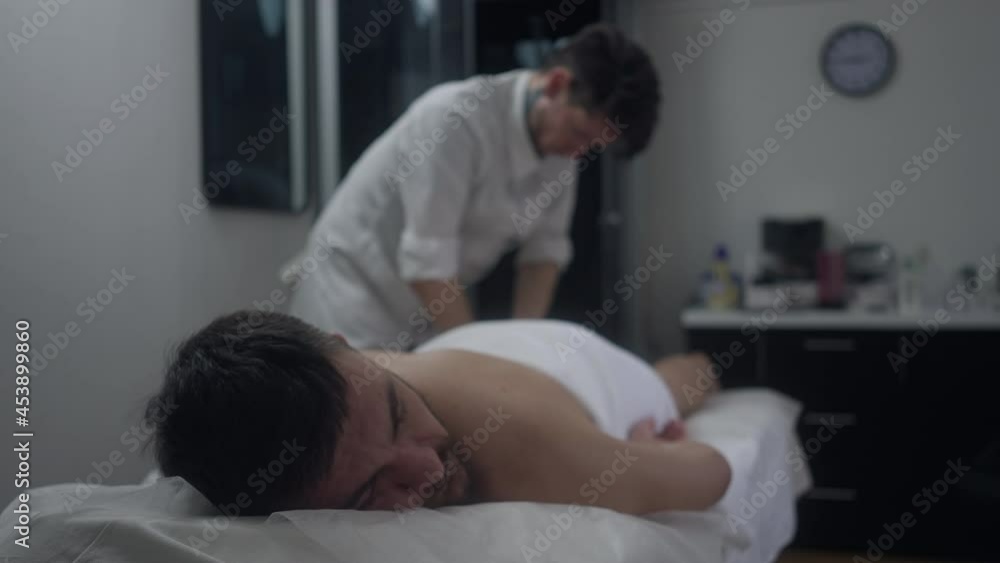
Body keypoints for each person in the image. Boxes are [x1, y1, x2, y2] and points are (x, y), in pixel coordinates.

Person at [285, 24, 661, 348]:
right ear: (556, 84)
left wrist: (525, 348)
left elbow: (543, 254)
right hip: (350, 295)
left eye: (592, 147)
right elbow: (427, 263)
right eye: (579, 134)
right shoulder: (455, 120)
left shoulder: (563, 148)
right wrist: (479, 359)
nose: (579, 153)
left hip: (419, 312)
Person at [145, 312, 730, 517]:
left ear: (350, 349)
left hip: (567, 362)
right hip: (468, 354)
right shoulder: (343, 395)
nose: (426, 469)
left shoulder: (534, 456)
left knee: (687, 378)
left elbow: (713, 470)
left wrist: (645, 454)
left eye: (399, 415)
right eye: (370, 492)